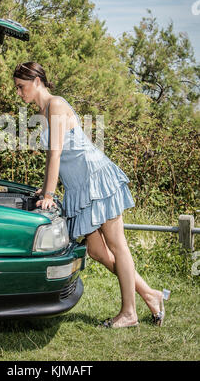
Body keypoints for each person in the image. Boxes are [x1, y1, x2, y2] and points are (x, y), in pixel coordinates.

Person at [13, 61, 170, 328]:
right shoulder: (42, 111)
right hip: (79, 187)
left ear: (37, 81)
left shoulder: (57, 105)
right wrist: (45, 188)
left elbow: (56, 153)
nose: (18, 93)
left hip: (96, 180)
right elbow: (57, 160)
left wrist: (50, 193)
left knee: (117, 245)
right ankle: (149, 294)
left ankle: (129, 313)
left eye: (21, 87)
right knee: (97, 251)